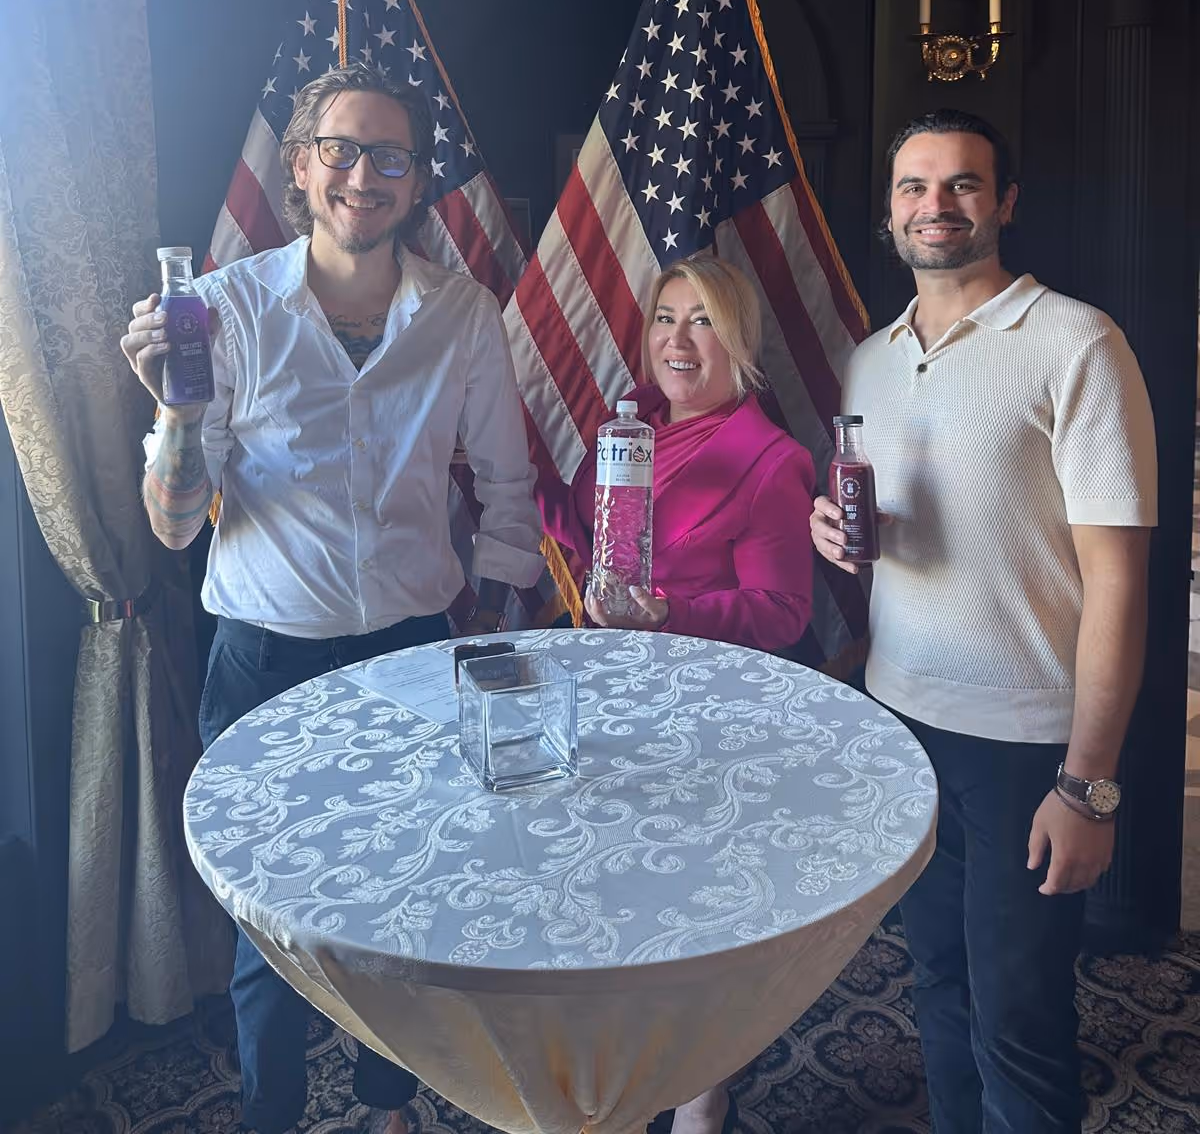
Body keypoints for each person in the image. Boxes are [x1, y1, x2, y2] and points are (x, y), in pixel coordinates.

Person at [121, 64, 544, 1134]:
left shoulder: (463, 315)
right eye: (343, 151)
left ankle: (388, 1104)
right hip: (264, 657)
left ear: (416, 181)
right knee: (273, 924)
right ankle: (271, 1116)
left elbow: (505, 490)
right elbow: (177, 521)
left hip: (410, 655)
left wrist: (493, 628)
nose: (366, 173)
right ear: (302, 167)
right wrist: (175, 411)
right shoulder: (221, 311)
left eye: (390, 155)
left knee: (403, 899)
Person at [811, 108, 1156, 1134]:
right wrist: (837, 533)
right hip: (902, 724)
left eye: (962, 184)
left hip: (1023, 746)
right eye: (915, 187)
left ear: (1003, 202)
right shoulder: (870, 358)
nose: (936, 205)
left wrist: (1089, 784)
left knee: (1019, 1020)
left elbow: (1121, 582)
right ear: (889, 212)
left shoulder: (1076, 341)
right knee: (938, 989)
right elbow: (913, 534)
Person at [544, 253, 815, 1134]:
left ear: (738, 340)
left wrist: (671, 613)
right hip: (611, 702)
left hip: (707, 721)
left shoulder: (770, 458)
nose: (679, 340)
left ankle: (703, 1089)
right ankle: (620, 1068)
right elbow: (595, 545)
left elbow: (783, 614)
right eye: (666, 318)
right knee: (612, 902)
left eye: (702, 320)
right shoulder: (629, 433)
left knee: (694, 918)